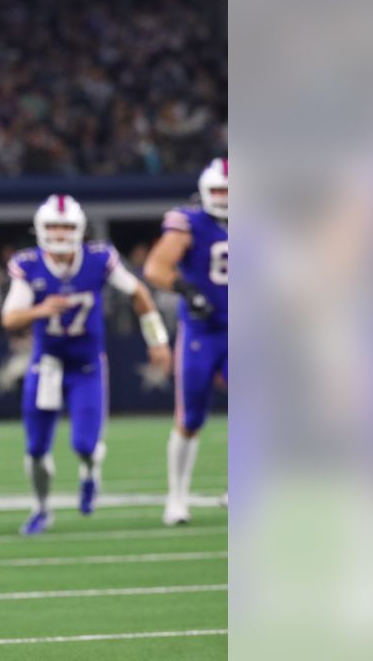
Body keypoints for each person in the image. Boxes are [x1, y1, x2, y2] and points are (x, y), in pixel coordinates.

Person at [1, 194, 172, 535]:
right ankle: (41, 508)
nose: (60, 234)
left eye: (66, 227)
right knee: (35, 449)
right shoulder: (28, 264)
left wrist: (157, 340)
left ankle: (90, 471)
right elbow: (10, 318)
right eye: (53, 227)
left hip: (86, 366)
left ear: (79, 229)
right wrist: (40, 309)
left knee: (85, 445)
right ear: (40, 229)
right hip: (46, 364)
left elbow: (138, 293)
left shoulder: (99, 258)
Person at [144, 158, 228, 526]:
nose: (224, 198)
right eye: (218, 191)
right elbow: (156, 267)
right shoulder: (188, 223)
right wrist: (186, 289)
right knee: (190, 417)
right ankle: (176, 499)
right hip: (203, 332)